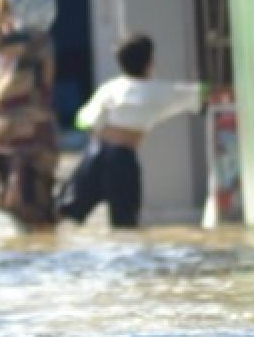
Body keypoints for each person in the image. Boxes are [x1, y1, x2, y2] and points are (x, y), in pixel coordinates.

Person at [58, 34, 204, 228]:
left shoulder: (110, 88)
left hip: (95, 155)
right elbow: (201, 94)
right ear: (150, 62)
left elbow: (83, 120)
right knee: (124, 224)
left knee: (66, 213)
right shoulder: (160, 92)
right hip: (122, 159)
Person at [0, 0, 60, 230]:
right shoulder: (21, 43)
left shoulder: (36, 41)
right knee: (11, 204)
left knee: (31, 206)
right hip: (10, 136)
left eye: (10, 8)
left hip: (29, 137)